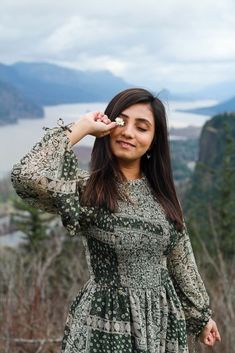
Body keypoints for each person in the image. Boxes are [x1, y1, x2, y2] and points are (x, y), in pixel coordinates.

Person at [11, 87, 221, 353]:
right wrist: (82, 127)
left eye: (142, 127)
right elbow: (25, 176)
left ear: (154, 140)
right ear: (108, 127)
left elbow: (181, 259)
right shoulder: (88, 190)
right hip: (106, 323)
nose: (128, 132)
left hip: (162, 323)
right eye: (121, 122)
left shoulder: (163, 195)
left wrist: (201, 316)